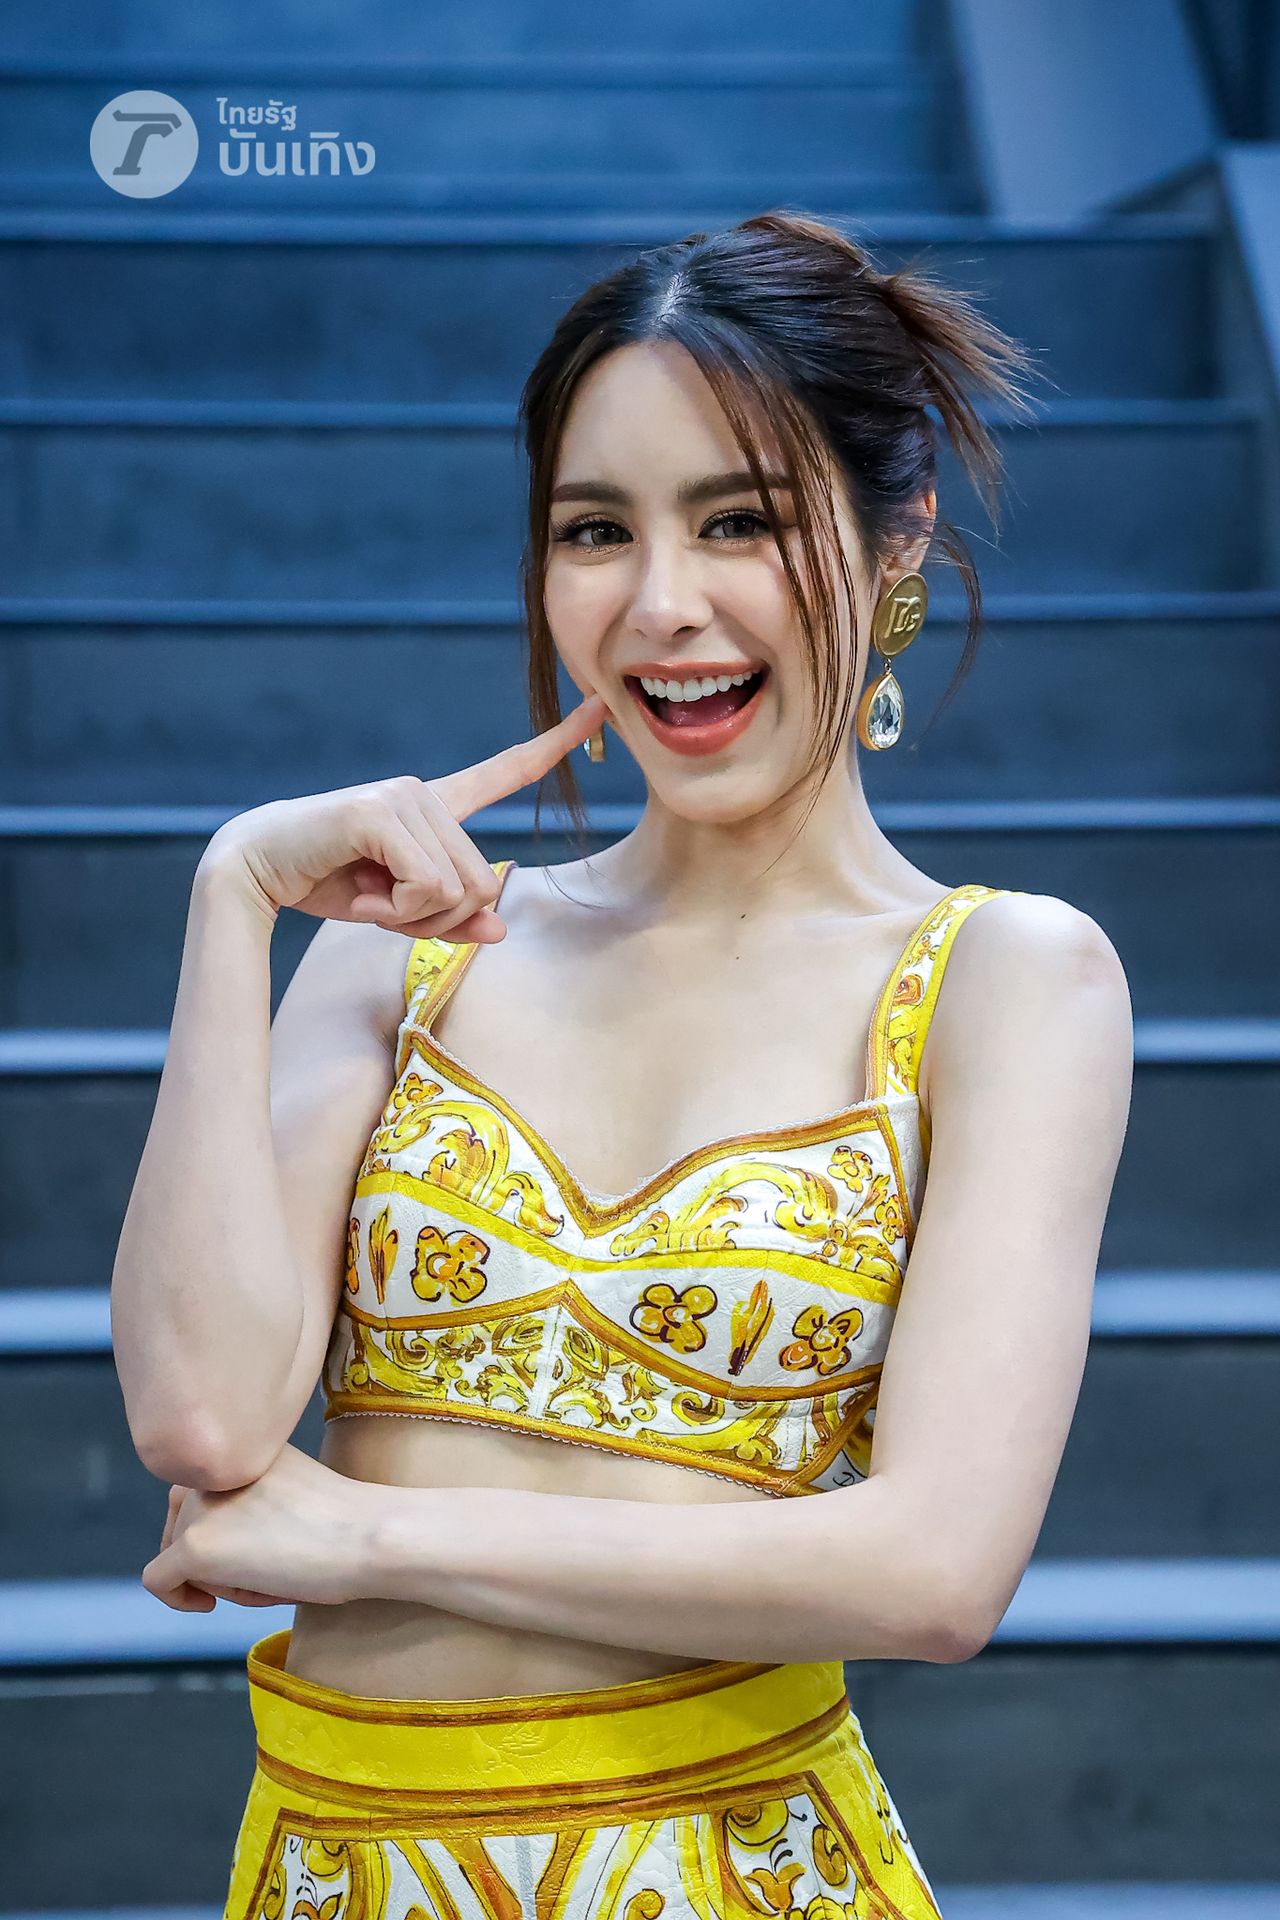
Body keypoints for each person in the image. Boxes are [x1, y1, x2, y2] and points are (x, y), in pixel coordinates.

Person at [112, 210, 1134, 1919]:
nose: (663, 606)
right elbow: (204, 1421)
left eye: (741, 520)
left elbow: (935, 1569)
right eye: (597, 530)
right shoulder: (412, 950)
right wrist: (234, 902)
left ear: (895, 543)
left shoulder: (1007, 982)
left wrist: (370, 1534)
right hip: (338, 1870)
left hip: (734, 1869)